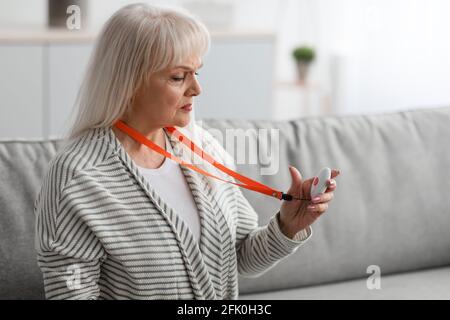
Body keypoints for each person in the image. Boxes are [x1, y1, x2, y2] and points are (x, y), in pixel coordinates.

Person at [34, 3, 340, 300]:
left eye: (197, 72)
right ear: (128, 82)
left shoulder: (204, 148)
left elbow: (241, 257)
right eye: (179, 77)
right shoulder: (77, 177)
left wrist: (288, 226)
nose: (197, 89)